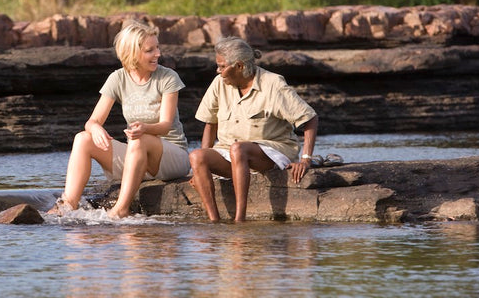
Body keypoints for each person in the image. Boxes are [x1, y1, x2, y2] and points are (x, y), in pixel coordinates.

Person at [51, 20, 190, 218]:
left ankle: (121, 209)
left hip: (171, 157)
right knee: (83, 138)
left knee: (139, 138)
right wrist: (96, 128)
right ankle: (67, 205)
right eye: (150, 50)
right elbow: (92, 121)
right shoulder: (117, 78)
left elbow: (166, 126)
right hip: (138, 155)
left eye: (157, 47)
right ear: (133, 53)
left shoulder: (168, 77)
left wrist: (144, 128)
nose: (158, 54)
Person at [189, 36, 318, 222]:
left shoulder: (273, 84)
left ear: (239, 66)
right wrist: (199, 170)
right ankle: (214, 221)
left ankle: (239, 220)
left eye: (222, 66)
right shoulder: (219, 83)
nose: (218, 71)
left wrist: (306, 160)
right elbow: (210, 123)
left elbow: (310, 118)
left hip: (271, 150)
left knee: (239, 149)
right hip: (230, 152)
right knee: (196, 156)